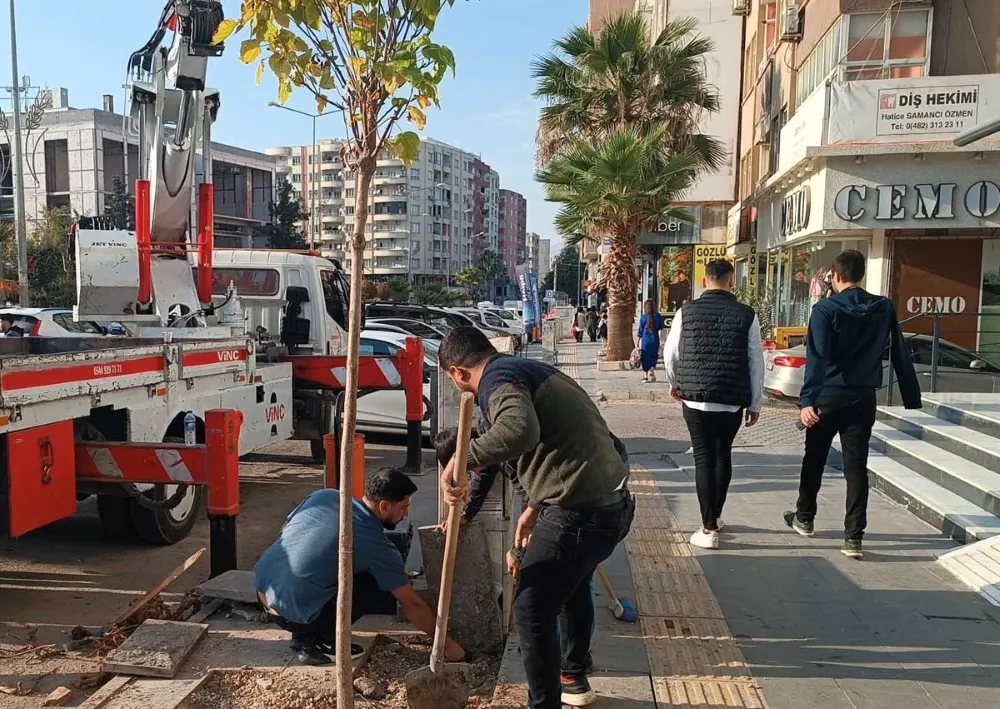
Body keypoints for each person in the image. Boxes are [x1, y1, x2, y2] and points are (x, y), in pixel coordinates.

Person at [437, 327, 634, 708]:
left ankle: (544, 703)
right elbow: (559, 446)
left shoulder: (497, 380)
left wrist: (460, 463)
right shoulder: (527, 370)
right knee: (570, 585)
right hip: (611, 504)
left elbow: (520, 433)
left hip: (581, 513)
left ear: (459, 372)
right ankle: (574, 676)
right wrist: (535, 506)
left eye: (453, 380)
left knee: (530, 608)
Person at [786, 249, 922, 560]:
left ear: (834, 276)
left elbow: (817, 359)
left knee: (815, 459)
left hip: (828, 398)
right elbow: (900, 351)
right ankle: (853, 537)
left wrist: (808, 400)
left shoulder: (825, 310)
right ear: (860, 275)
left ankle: (805, 518)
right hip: (863, 397)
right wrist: (910, 394)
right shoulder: (883, 307)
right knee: (856, 467)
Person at [254, 467, 465, 666]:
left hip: (263, 592)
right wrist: (447, 645)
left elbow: (287, 529)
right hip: (293, 614)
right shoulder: (378, 546)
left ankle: (303, 632)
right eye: (404, 507)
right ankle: (320, 642)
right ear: (384, 506)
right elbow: (412, 604)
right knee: (377, 587)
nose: (406, 515)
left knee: (322, 572)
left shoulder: (325, 496)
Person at [663, 260, 764, 550]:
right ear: (731, 282)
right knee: (723, 456)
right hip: (731, 402)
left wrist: (675, 383)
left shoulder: (686, 311)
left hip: (694, 399)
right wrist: (755, 402)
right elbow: (755, 362)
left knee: (703, 458)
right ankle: (715, 518)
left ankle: (708, 529)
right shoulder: (747, 315)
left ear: (705, 281)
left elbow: (670, 354)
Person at [635, 299, 663, 383]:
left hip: (645, 340)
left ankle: (645, 376)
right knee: (654, 355)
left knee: (645, 357)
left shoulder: (643, 317)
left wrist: (637, 341)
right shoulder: (658, 316)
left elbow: (640, 330)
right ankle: (652, 368)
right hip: (655, 338)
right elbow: (660, 327)